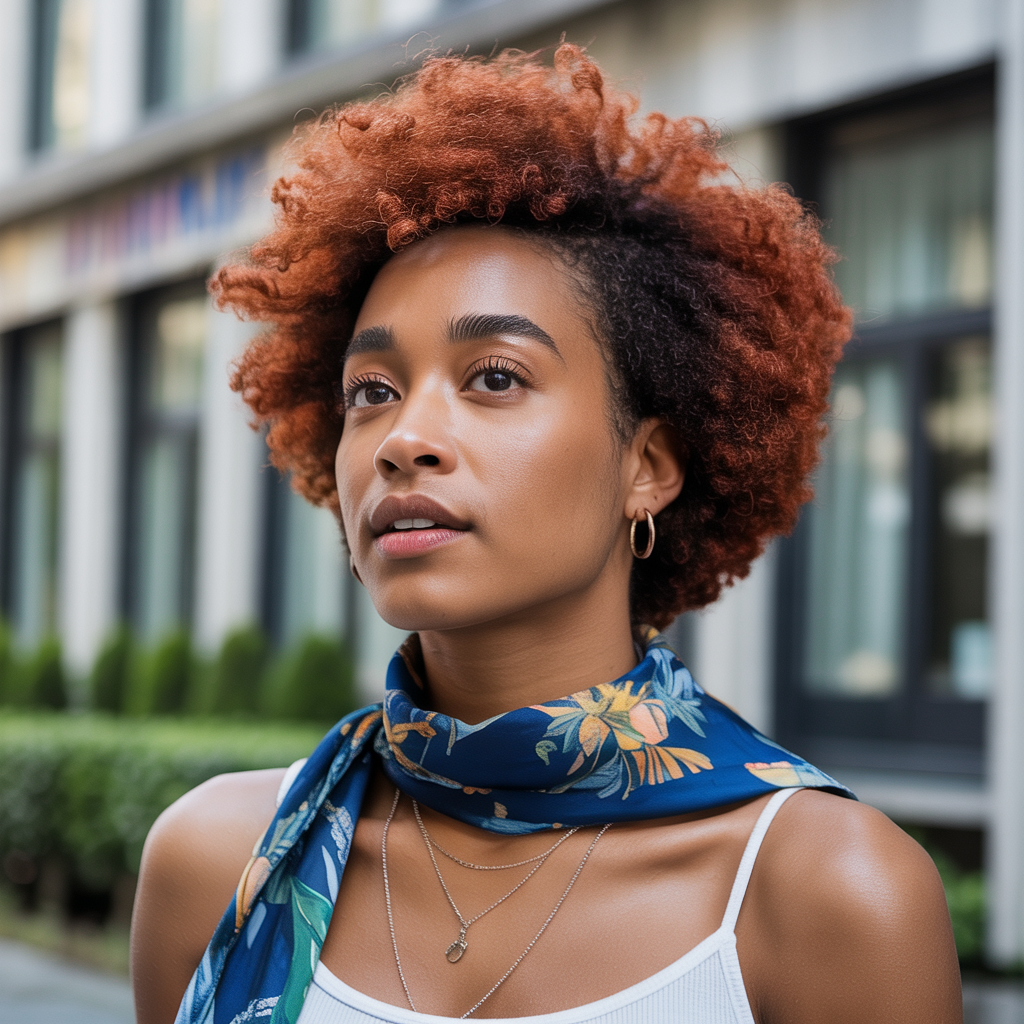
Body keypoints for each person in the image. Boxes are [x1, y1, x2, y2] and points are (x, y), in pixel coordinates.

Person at [130, 45, 962, 1024]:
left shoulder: (823, 895)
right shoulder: (218, 861)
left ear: (646, 464)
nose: (404, 440)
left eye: (494, 377)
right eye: (371, 391)